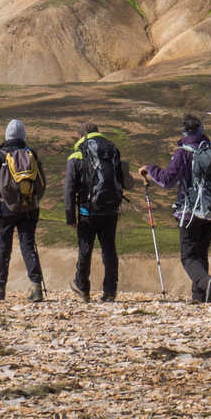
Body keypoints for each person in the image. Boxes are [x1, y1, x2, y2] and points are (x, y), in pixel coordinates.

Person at [140, 114, 211, 303]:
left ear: (184, 131)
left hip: (190, 211)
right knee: (201, 252)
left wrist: (150, 169)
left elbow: (167, 180)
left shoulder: (182, 152)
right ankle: (201, 296)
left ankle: (205, 281)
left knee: (188, 257)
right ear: (202, 130)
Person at [64, 121, 132, 302]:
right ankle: (110, 291)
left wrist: (70, 216)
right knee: (109, 249)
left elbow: (70, 188)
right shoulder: (112, 150)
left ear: (80, 136)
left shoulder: (77, 155)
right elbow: (125, 180)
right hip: (111, 209)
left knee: (85, 248)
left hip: (88, 211)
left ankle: (82, 287)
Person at [0, 119, 46, 301]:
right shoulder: (31, 154)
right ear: (23, 135)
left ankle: (0, 287)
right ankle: (36, 287)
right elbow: (41, 184)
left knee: (4, 247)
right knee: (28, 244)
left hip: (6, 208)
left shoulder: (0, 155)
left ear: (7, 135)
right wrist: (32, 200)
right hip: (29, 208)